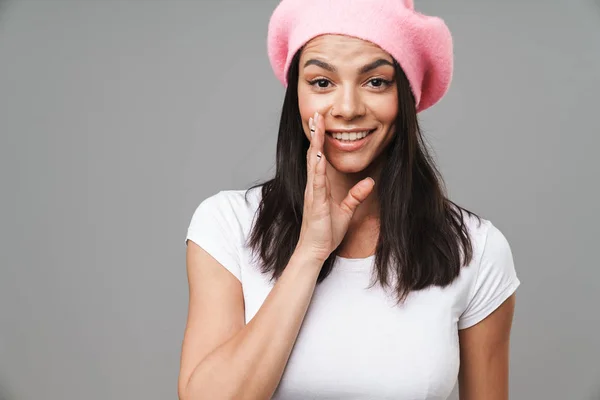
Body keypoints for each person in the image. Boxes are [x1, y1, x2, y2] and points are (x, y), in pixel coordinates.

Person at [178, 0, 521, 399]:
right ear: (298, 96)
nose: (347, 109)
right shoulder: (228, 225)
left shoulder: (475, 250)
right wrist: (310, 252)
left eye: (376, 81)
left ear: (406, 95)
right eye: (322, 82)